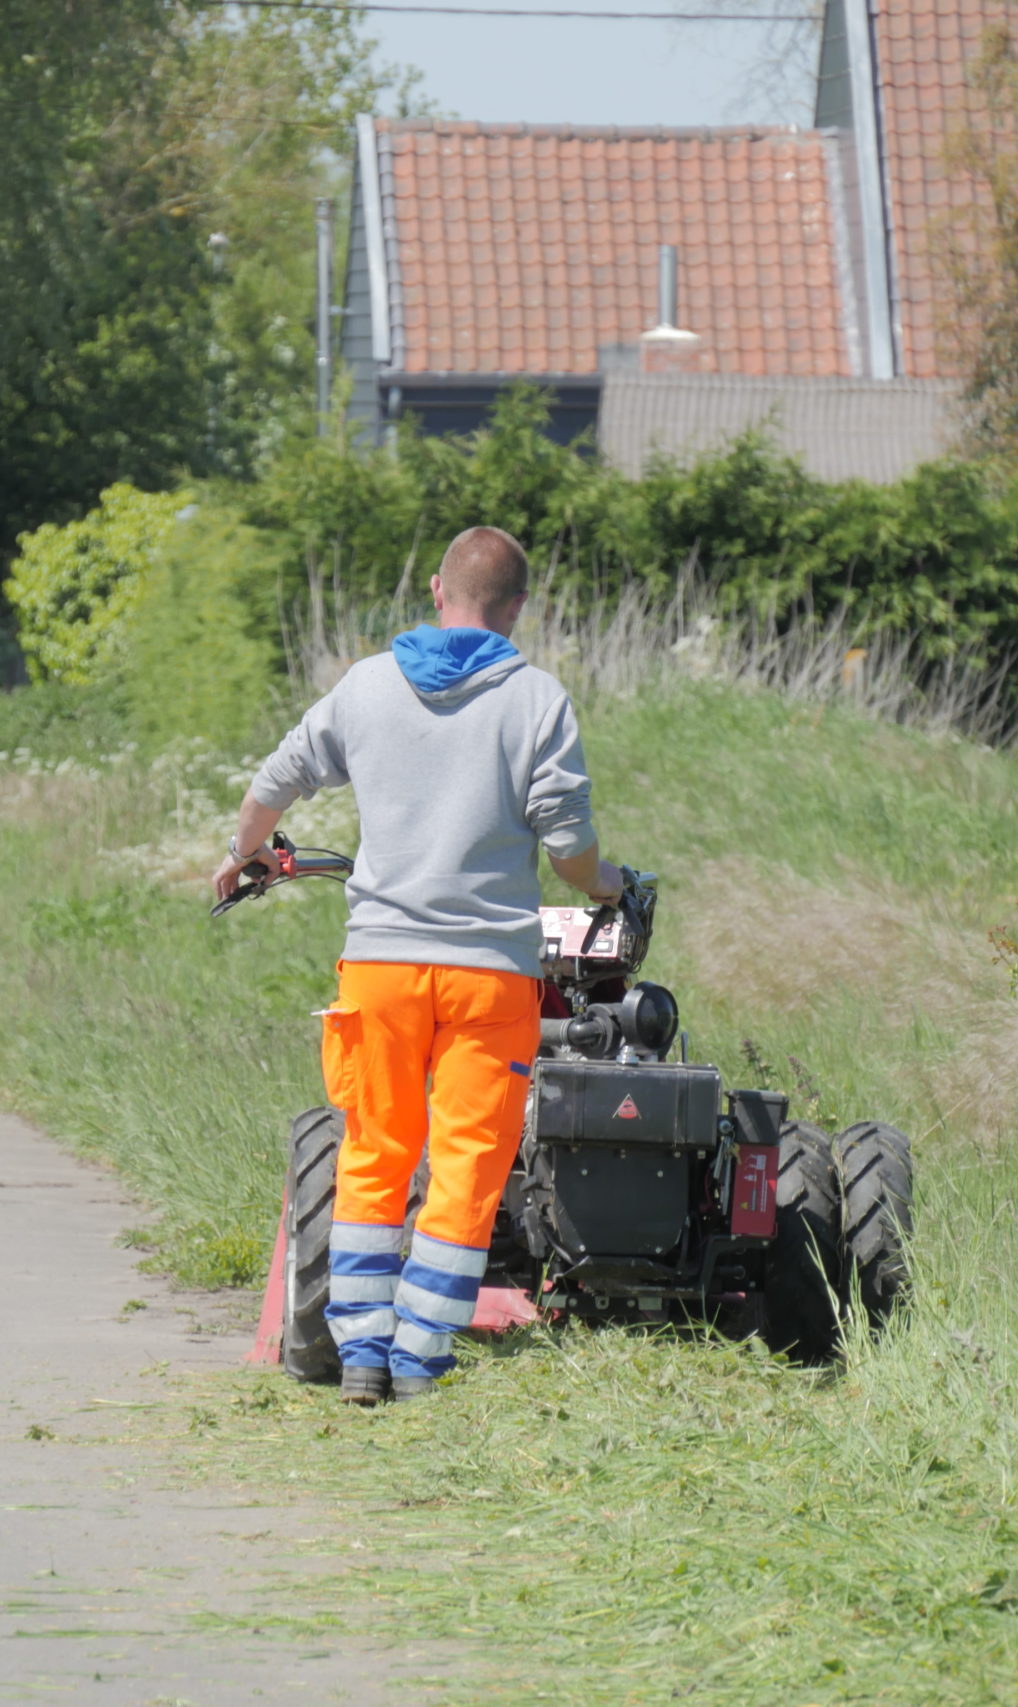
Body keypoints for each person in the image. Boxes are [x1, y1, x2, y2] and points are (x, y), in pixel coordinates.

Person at [214, 526, 627, 1405]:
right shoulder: (538, 700)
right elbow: (569, 850)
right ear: (516, 609)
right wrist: (608, 885)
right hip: (490, 976)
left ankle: (360, 1354)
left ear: (437, 590)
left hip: (381, 969)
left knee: (372, 1150)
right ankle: (420, 1358)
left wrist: (239, 851)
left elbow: (282, 774)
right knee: (469, 1163)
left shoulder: (366, 685)